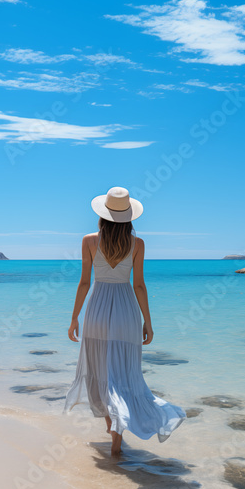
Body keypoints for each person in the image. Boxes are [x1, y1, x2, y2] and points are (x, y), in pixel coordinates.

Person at [63, 186, 185, 456]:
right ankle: (118, 433)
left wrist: (74, 318)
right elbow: (139, 285)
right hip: (127, 311)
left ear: (102, 214)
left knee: (101, 375)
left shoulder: (89, 241)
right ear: (129, 216)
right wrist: (147, 322)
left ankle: (114, 428)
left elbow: (84, 282)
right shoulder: (138, 244)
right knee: (125, 374)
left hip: (97, 309)